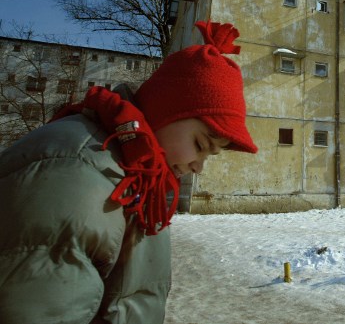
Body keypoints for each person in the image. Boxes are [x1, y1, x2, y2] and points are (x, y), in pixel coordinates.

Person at [0, 21, 258, 323]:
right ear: (167, 109)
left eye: (209, 155)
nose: (198, 166)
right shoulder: (76, 176)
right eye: (200, 144)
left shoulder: (137, 176)